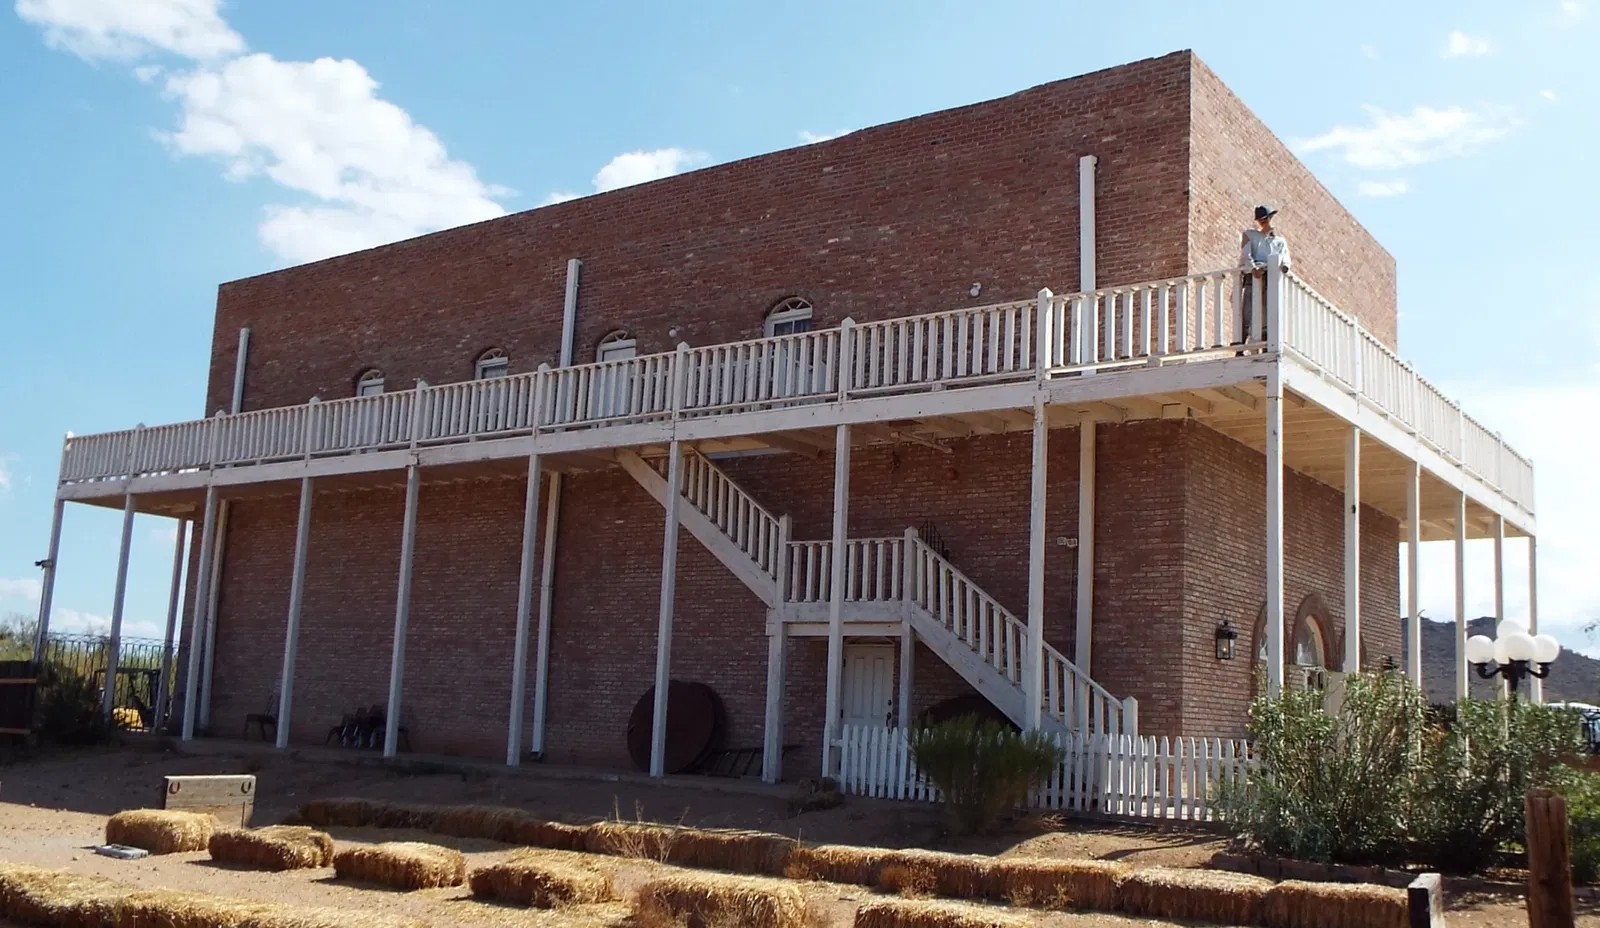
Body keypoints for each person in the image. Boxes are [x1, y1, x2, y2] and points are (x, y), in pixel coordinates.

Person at [1238, 204, 1292, 347]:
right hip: (1253, 276)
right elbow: (1246, 254)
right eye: (1261, 220)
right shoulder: (1250, 234)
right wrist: (1253, 268)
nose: (1264, 222)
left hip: (1270, 277)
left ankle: (1266, 343)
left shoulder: (1279, 241)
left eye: (1266, 219)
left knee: (1267, 311)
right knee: (1248, 311)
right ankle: (1241, 344)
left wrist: (1285, 266)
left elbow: (1285, 258)